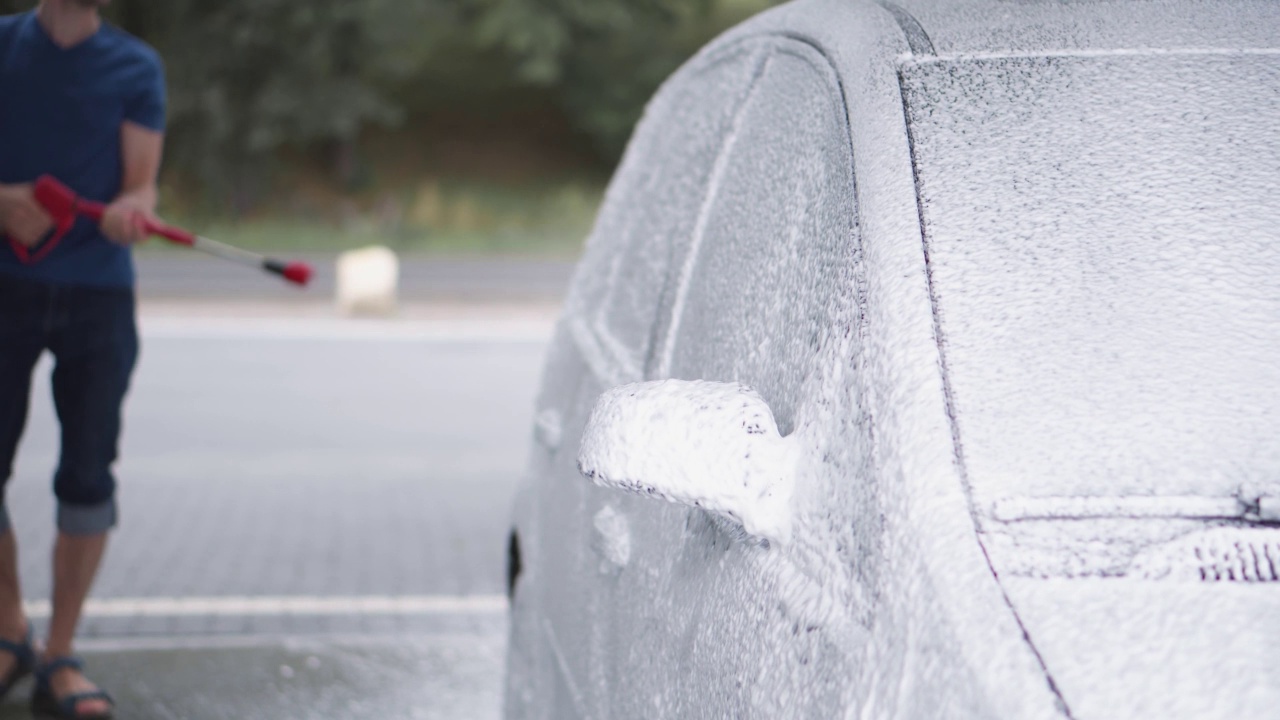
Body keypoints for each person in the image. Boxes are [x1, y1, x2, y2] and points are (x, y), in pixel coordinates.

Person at [0, 0, 165, 717]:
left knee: (88, 475)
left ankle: (60, 656)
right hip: (5, 289)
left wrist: (132, 209)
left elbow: (140, 185)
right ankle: (9, 632)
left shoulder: (136, 66)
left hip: (98, 299)